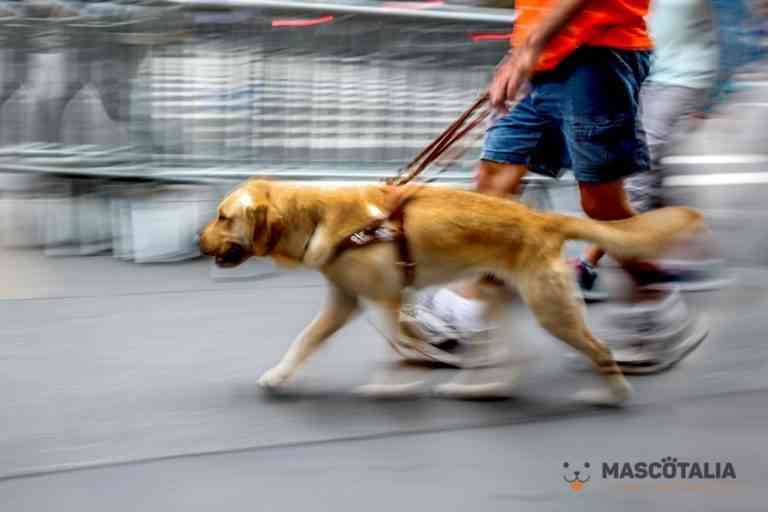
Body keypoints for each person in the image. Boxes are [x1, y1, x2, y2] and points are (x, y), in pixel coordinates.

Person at [401, 0, 708, 391]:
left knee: (602, 204)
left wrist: (530, 46)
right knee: (493, 185)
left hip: (598, 56)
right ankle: (463, 310)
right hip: (540, 58)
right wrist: (521, 49)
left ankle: (656, 304)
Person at [573, 0, 724, 301]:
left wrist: (717, 93)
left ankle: (589, 264)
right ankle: (696, 251)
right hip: (646, 76)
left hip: (682, 80)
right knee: (651, 177)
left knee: (636, 176)